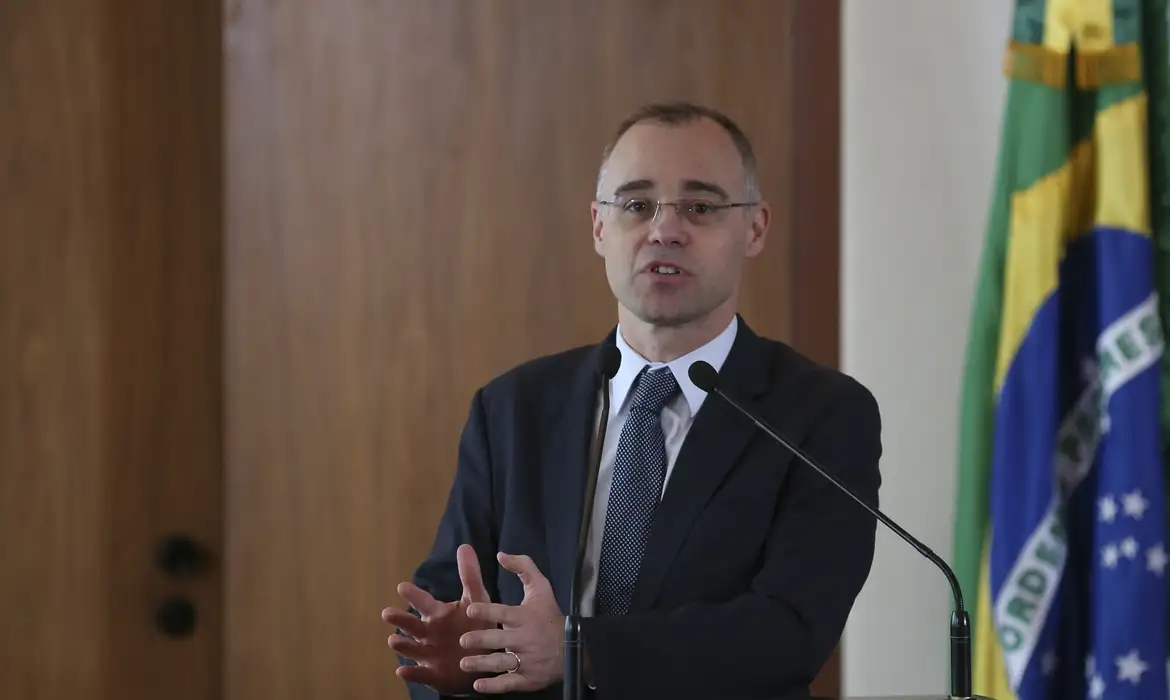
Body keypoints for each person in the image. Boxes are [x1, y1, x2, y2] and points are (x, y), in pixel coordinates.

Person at [381, 101, 883, 699]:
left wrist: (577, 650)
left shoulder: (820, 414)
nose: (664, 230)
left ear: (755, 229)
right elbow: (448, 610)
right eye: (636, 205)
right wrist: (452, 665)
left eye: (699, 206)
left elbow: (789, 631)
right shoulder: (514, 408)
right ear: (599, 227)